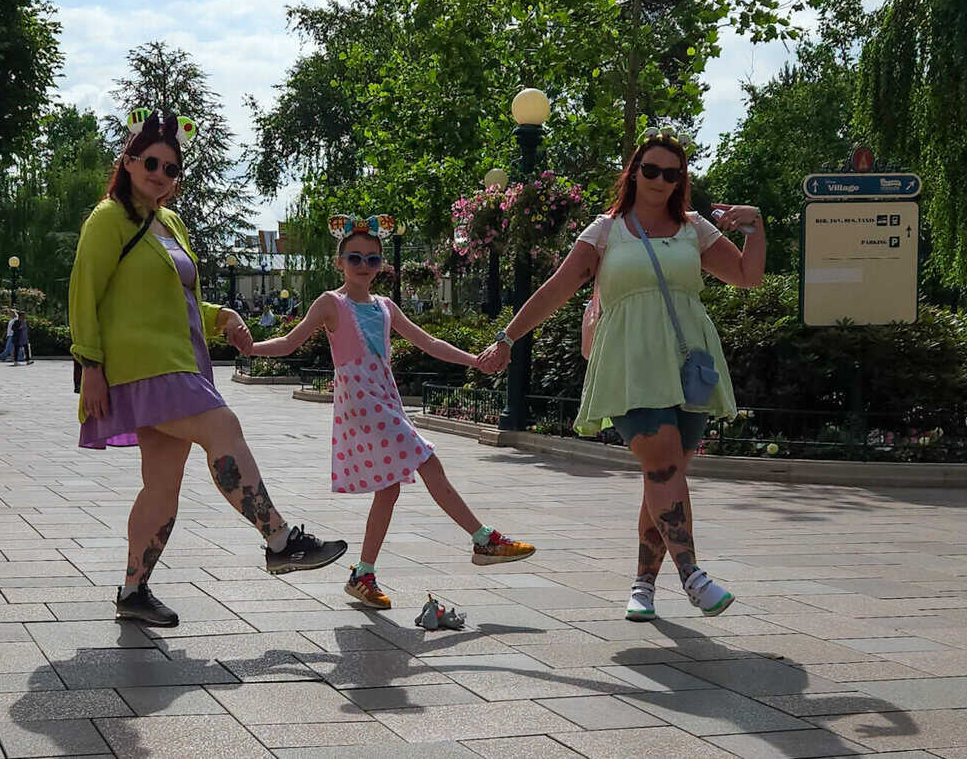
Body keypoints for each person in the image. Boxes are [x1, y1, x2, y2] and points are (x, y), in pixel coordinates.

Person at [69, 107, 346, 627]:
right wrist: (91, 365)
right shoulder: (107, 219)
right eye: (151, 161)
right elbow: (84, 293)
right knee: (222, 426)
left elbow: (180, 296)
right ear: (128, 160)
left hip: (179, 363)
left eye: (172, 168)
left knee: (161, 485)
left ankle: (133, 591)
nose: (160, 173)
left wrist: (223, 316)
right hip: (142, 367)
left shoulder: (168, 222)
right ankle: (280, 539)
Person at [480, 127, 764, 621]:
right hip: (631, 364)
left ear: (681, 181)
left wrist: (757, 228)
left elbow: (747, 276)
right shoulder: (606, 231)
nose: (660, 180)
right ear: (633, 172)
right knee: (662, 469)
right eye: (650, 169)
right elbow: (555, 290)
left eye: (671, 174)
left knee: (666, 477)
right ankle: (693, 576)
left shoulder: (694, 228)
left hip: (688, 362)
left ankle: (642, 586)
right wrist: (507, 338)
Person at [239, 213, 536, 611]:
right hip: (363, 406)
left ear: (381, 265)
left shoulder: (385, 307)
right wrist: (252, 348)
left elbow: (427, 341)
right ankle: (483, 539)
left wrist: (473, 360)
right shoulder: (331, 303)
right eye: (355, 258)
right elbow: (292, 342)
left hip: (385, 399)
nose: (364, 266)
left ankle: (363, 574)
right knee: (428, 460)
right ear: (339, 262)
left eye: (373, 260)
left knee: (389, 489)